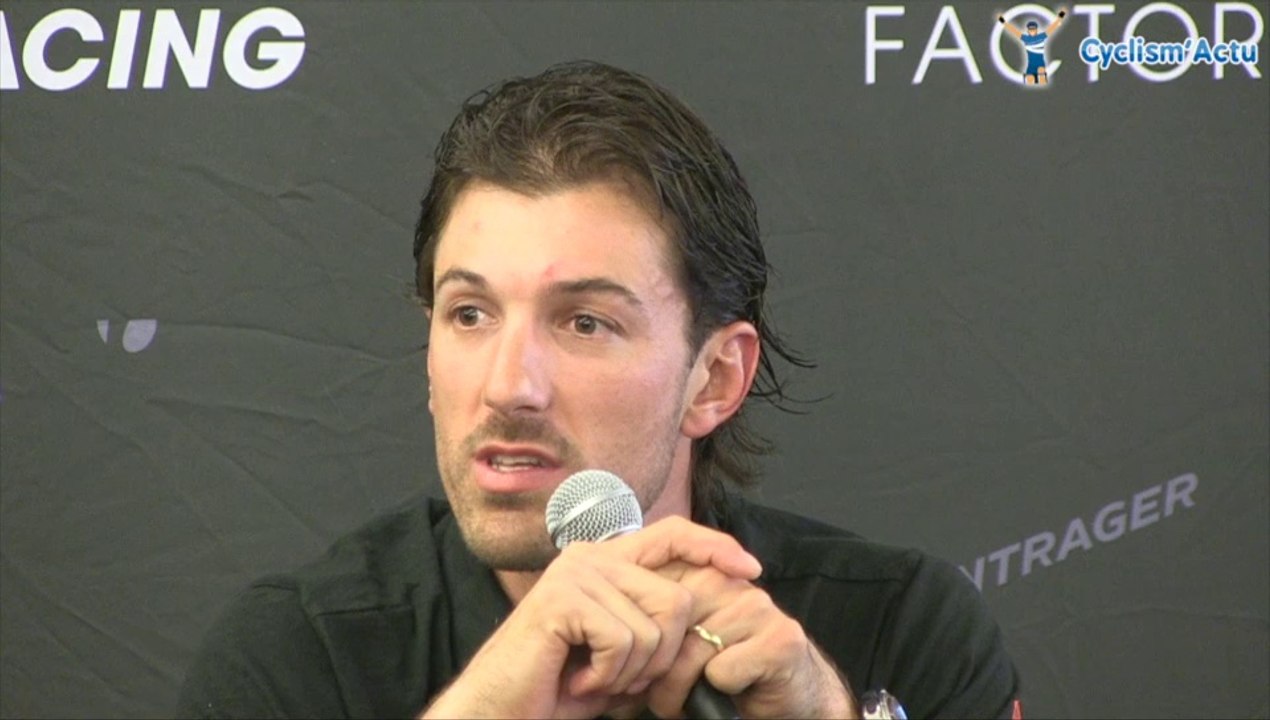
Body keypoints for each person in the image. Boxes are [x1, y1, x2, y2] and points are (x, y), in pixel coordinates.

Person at [178, 61, 1021, 719]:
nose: (510, 387)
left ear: (715, 378)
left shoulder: (900, 632)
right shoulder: (298, 655)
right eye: (469, 314)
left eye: (584, 323)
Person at [1001, 8, 1068, 85]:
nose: (1032, 31)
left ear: (1036, 30)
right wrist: (1003, 22)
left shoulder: (1041, 37)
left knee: (1041, 74)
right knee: (1029, 81)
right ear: (1028, 30)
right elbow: (1014, 31)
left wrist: (1061, 15)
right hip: (1031, 65)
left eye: (1033, 29)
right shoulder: (1026, 39)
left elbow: (1053, 27)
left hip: (1040, 64)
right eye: (1030, 29)